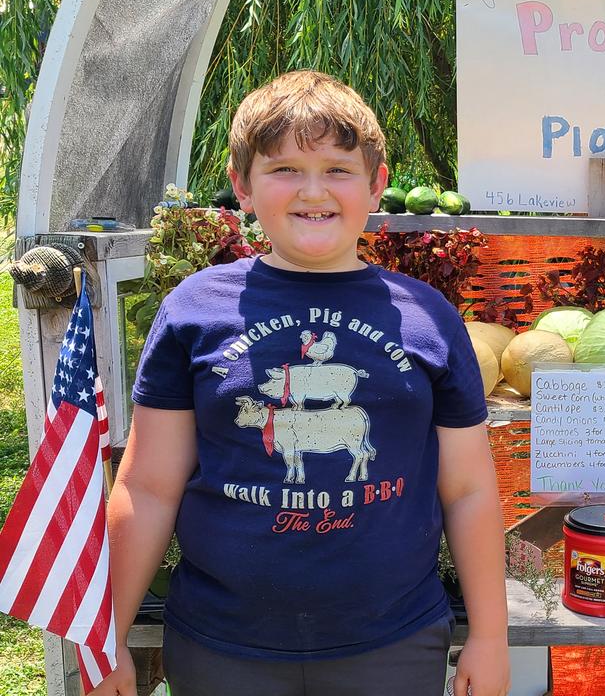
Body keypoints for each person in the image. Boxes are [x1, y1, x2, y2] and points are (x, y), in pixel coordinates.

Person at [94, 70, 510, 696]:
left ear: (376, 185)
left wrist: (491, 636)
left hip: (392, 643)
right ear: (242, 186)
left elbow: (469, 490)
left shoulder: (428, 318)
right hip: (223, 646)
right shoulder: (193, 310)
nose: (313, 191)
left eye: (338, 169)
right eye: (284, 169)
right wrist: (108, 639)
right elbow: (149, 486)